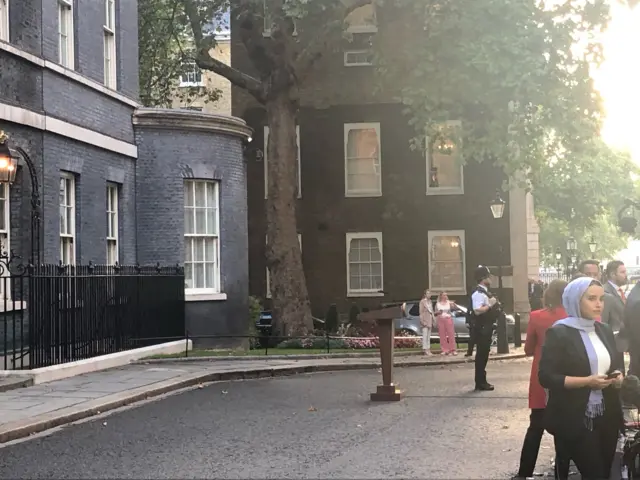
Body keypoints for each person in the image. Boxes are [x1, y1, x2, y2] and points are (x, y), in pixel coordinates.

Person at [539, 277, 624, 480]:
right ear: (575, 301)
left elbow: (615, 363)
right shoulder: (559, 332)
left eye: (602, 299)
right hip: (575, 418)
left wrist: (618, 374)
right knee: (594, 473)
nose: (598, 304)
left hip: (608, 416)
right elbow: (547, 377)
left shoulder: (603, 329)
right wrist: (587, 382)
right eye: (591, 298)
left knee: (604, 472)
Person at [516, 279, 570, 480]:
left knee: (536, 426)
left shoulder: (537, 317)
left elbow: (528, 349)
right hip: (567, 377)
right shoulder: (574, 317)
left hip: (542, 378)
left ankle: (524, 473)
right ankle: (561, 474)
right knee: (563, 428)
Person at [470, 265, 500, 391]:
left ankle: (482, 381)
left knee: (484, 354)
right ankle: (480, 382)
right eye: (488, 276)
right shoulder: (478, 293)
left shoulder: (484, 292)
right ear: (483, 278)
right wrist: (490, 306)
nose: (491, 278)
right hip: (482, 328)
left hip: (486, 327)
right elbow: (477, 310)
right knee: (481, 355)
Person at [602, 261, 628, 352]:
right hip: (613, 346)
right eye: (622, 272)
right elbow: (603, 321)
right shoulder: (605, 293)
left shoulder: (620, 291)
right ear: (613, 274)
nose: (626, 275)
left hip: (624, 345)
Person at [419, 289, 435, 356]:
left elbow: (432, 311)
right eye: (428, 293)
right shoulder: (422, 302)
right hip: (425, 319)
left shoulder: (430, 301)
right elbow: (421, 312)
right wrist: (422, 321)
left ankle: (428, 349)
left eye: (430, 293)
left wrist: (433, 319)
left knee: (428, 336)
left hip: (430, 319)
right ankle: (425, 349)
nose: (429, 295)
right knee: (425, 335)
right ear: (425, 294)